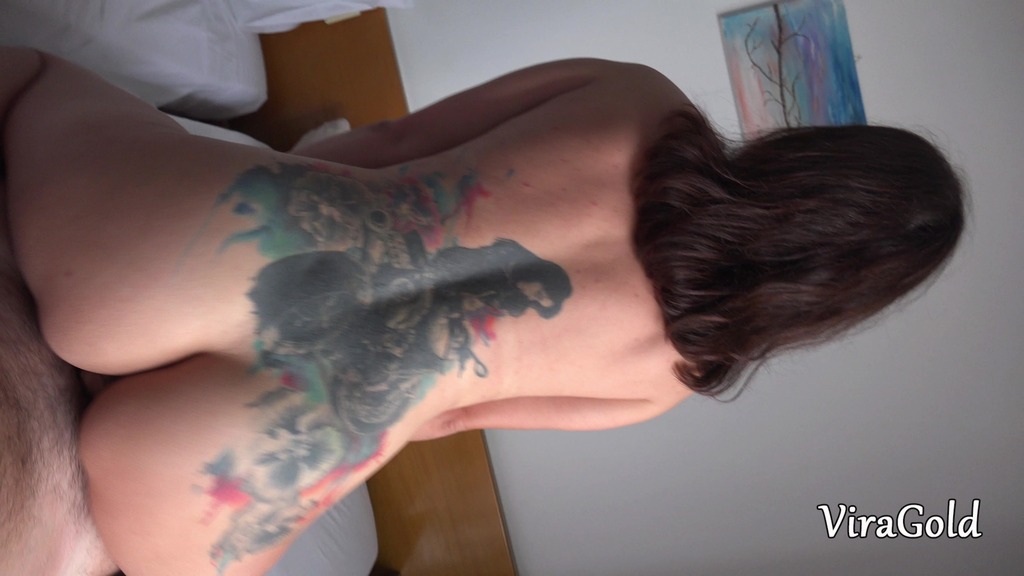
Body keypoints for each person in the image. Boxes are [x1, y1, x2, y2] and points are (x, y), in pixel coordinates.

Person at [0, 47, 964, 576]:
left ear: (810, 157)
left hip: (180, 254)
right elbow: (452, 419)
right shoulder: (668, 378)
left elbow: (390, 141)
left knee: (32, 79)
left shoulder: (640, 99)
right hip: (241, 465)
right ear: (829, 302)